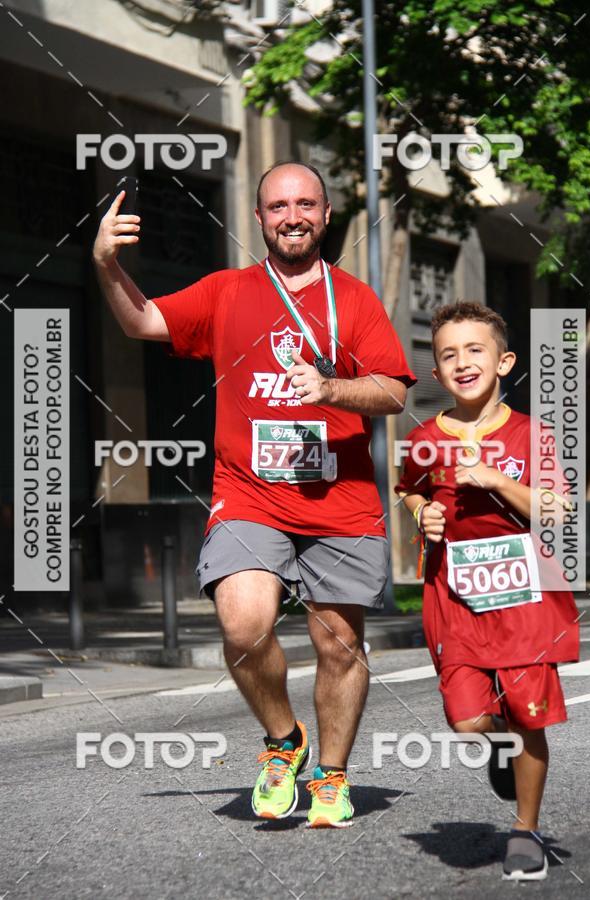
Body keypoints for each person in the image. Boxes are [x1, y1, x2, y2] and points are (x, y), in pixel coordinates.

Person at [93, 161, 416, 828]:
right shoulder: (228, 291)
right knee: (243, 626)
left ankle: (332, 774)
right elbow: (143, 322)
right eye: (278, 206)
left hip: (340, 498)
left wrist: (330, 389)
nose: (292, 217)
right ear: (260, 217)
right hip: (250, 494)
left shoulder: (355, 300)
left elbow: (391, 391)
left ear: (325, 215)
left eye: (305, 204)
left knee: (338, 646)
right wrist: (105, 265)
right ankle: (284, 740)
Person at [396, 302, 579, 880]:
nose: (462, 362)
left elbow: (559, 509)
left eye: (475, 350)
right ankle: (501, 746)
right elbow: (409, 489)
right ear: (436, 372)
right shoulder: (424, 438)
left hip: (524, 597)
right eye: (449, 354)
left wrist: (499, 479)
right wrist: (421, 511)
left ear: (504, 361)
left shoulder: (531, 433)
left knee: (528, 717)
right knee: (467, 720)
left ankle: (525, 831)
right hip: (455, 598)